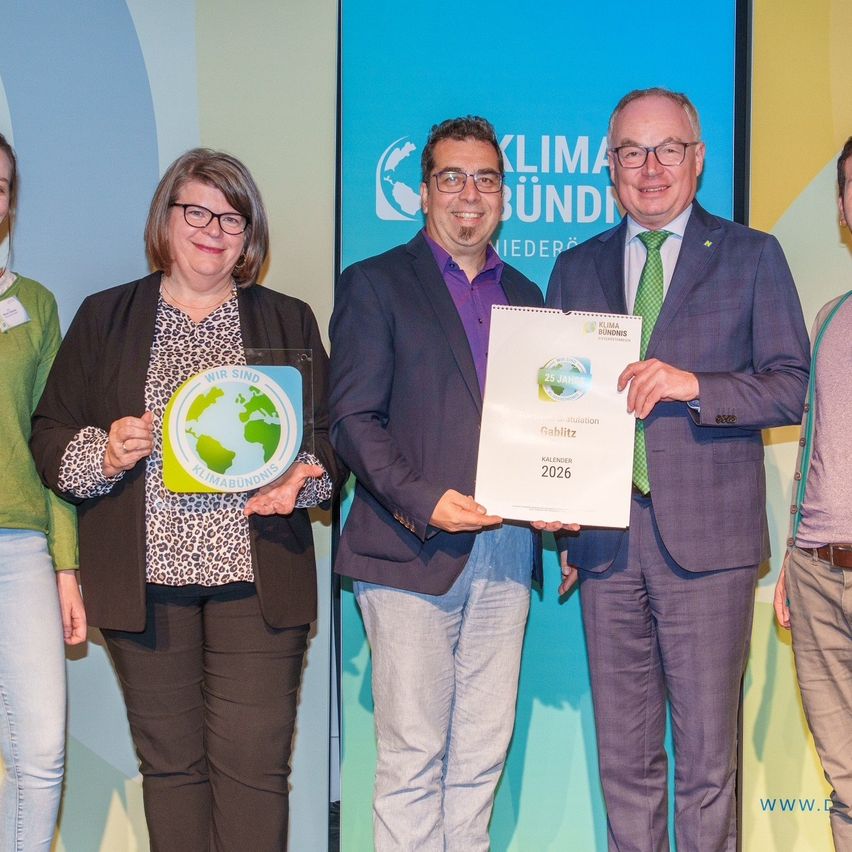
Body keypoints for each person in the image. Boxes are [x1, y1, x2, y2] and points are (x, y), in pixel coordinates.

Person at [30, 148, 342, 852]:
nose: (214, 229)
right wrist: (103, 453)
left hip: (255, 584)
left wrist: (305, 477)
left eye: (233, 217)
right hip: (146, 588)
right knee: (170, 771)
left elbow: (330, 439)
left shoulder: (287, 321)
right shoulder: (105, 317)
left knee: (257, 770)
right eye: (197, 211)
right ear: (166, 219)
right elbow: (50, 434)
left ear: (251, 235)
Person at [546, 88, 810, 851]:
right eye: (632, 151)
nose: (650, 167)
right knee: (624, 763)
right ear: (610, 166)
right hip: (605, 547)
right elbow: (558, 404)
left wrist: (697, 387)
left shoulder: (752, 256)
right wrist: (557, 503)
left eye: (667, 150)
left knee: (706, 765)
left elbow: (791, 384)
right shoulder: (577, 267)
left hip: (710, 551)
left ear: (697, 160)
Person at [329, 116, 557, 851]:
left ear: (504, 195)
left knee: (479, 759)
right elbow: (353, 420)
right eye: (451, 178)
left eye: (486, 178)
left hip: (506, 551)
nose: (469, 194)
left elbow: (551, 423)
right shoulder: (374, 284)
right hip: (408, 551)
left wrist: (561, 498)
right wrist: (425, 499)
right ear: (424, 193)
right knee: (412, 755)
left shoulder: (528, 294)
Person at [0, 131, 84, 852]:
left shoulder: (35, 305)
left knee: (42, 752)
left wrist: (66, 565)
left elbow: (52, 442)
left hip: (19, 545)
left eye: (0, 185)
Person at [774, 136, 852, 851]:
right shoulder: (829, 317)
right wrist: (792, 559)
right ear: (842, 207)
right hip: (818, 572)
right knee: (845, 777)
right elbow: (815, 448)